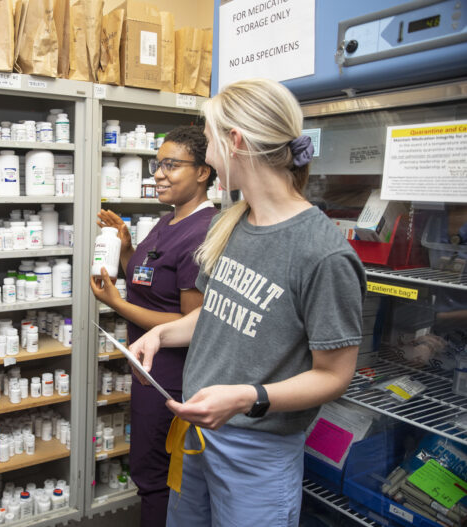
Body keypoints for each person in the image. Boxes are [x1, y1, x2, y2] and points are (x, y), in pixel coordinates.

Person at [130, 78, 366, 526]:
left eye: (211, 139)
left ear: (234, 142)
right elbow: (212, 316)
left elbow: (334, 376)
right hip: (201, 436)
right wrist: (160, 333)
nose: (209, 155)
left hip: (257, 452)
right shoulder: (231, 224)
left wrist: (247, 398)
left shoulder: (323, 253)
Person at [90, 125, 218, 526]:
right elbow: (148, 281)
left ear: (203, 172)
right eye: (157, 164)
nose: (159, 174)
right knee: (151, 467)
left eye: (171, 165)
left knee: (157, 474)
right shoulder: (169, 221)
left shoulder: (203, 231)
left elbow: (189, 321)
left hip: (171, 376)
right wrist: (127, 249)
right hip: (148, 368)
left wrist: (116, 304)